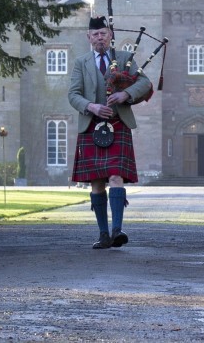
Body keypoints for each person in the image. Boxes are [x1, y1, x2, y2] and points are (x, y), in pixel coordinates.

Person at [69, 15, 153, 249]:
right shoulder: (81, 62)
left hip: (118, 124)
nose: (100, 38)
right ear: (88, 37)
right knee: (96, 181)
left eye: (104, 33)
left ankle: (117, 230)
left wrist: (126, 94)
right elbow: (73, 94)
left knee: (116, 176)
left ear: (110, 35)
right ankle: (103, 234)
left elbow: (145, 83)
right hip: (91, 125)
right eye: (95, 34)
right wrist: (91, 105)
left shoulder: (125, 58)